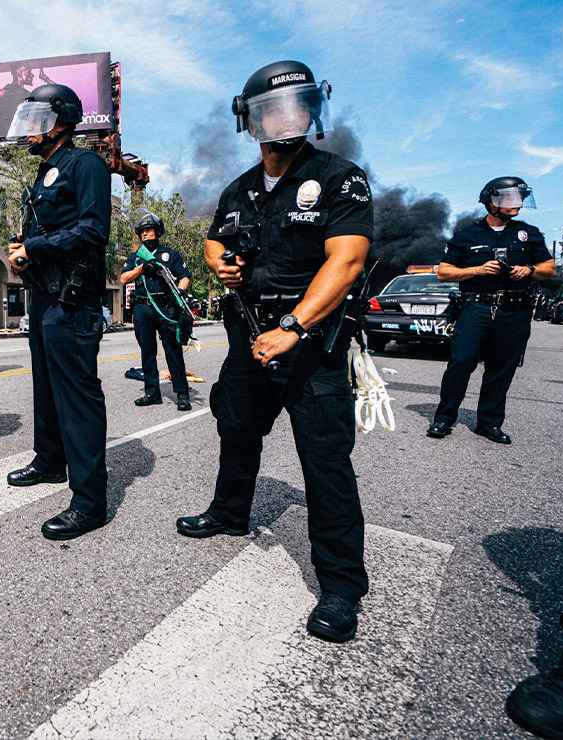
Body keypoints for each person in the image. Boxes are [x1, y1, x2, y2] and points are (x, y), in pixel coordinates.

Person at [176, 60, 371, 643]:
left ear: (314, 111)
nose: (287, 118)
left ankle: (340, 585)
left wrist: (293, 325)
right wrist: (217, 261)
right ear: (252, 118)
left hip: (312, 343)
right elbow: (215, 242)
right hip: (248, 336)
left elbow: (348, 260)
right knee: (235, 428)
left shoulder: (340, 177)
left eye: (299, 106)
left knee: (325, 461)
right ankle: (230, 512)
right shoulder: (238, 188)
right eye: (273, 109)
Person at [4, 83, 110, 540]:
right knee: (46, 387)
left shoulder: (84, 164)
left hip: (73, 298)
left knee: (77, 397)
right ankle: (49, 461)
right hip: (44, 294)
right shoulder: (44, 171)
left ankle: (90, 500)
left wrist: (35, 246)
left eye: (36, 121)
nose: (28, 131)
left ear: (62, 122)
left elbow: (94, 228)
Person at [427, 177, 554, 444]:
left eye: (519, 198)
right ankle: (444, 418)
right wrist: (477, 269)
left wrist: (529, 270)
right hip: (477, 307)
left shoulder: (528, 233)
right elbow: (444, 272)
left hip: (515, 310)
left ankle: (489, 423)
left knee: (502, 368)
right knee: (461, 362)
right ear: (491, 201)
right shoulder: (466, 235)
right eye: (510, 198)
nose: (516, 204)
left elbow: (548, 268)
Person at [119, 211, 193, 411]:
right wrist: (142, 267)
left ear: (158, 231)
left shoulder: (170, 254)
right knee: (147, 352)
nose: (144, 234)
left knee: (173, 350)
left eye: (148, 230)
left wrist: (182, 290)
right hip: (143, 307)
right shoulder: (136, 257)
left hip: (166, 306)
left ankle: (182, 393)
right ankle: (152, 393)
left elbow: (185, 276)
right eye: (142, 231)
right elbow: (124, 279)